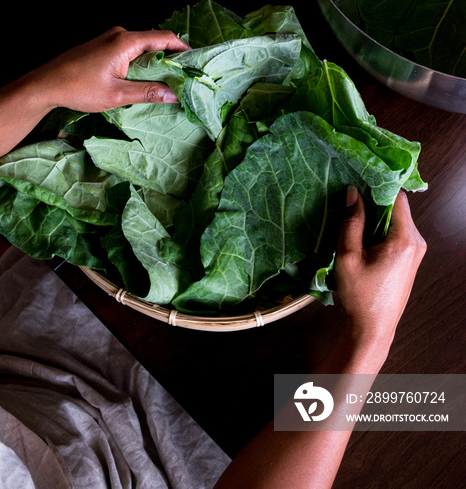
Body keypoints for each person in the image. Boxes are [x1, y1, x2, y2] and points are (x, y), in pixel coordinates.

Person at [0, 27, 427, 489]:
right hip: (218, 441)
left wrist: (39, 90)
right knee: (435, 407)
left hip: (39, 336)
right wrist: (369, 341)